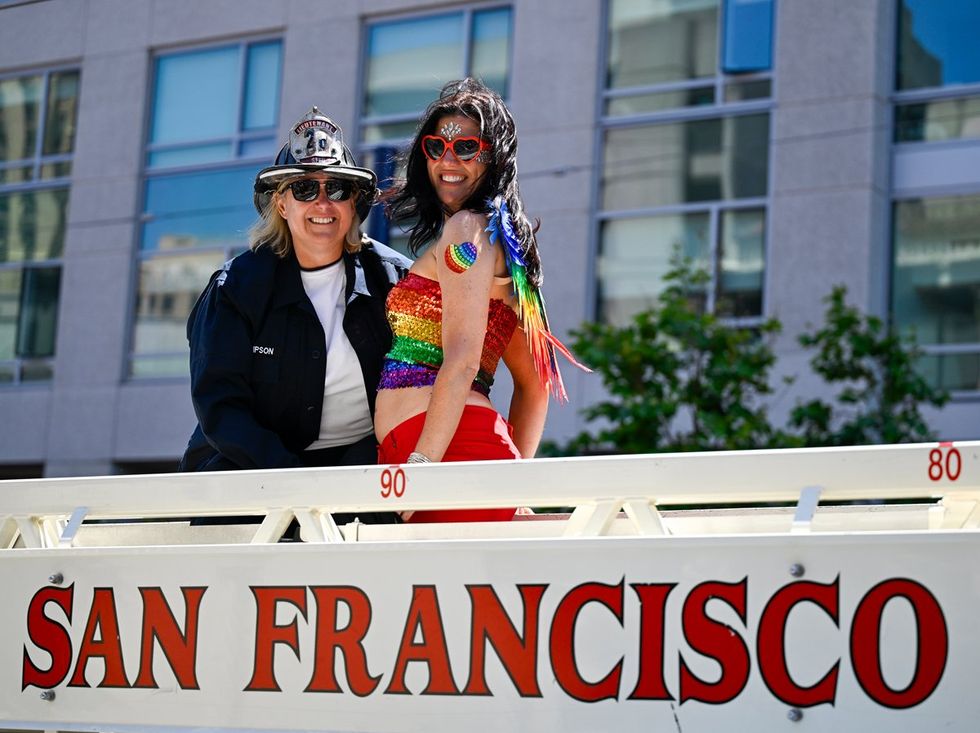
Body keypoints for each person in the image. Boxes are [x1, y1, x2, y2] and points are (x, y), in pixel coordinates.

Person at [178, 108, 411, 514]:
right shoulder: (234, 289)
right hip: (252, 475)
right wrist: (298, 489)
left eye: (337, 189)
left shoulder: (395, 281)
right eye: (304, 189)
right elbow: (221, 407)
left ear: (354, 203)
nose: (322, 202)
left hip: (360, 475)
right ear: (281, 204)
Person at [375, 78, 586, 523]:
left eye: (466, 147)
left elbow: (464, 360)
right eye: (436, 147)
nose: (448, 161)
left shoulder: (467, 229)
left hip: (441, 460)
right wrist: (514, 481)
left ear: (493, 158)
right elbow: (536, 385)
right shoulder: (501, 245)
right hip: (458, 456)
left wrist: (421, 469)